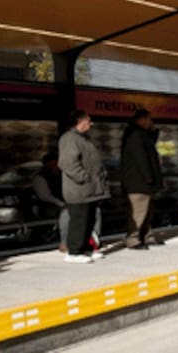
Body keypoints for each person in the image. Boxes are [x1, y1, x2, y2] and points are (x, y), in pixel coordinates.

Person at [58, 110, 109, 264]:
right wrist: (84, 178)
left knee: (89, 219)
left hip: (90, 189)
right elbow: (68, 163)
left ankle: (85, 248)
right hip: (79, 188)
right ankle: (73, 251)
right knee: (79, 220)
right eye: (89, 120)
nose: (91, 123)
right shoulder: (69, 139)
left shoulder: (82, 139)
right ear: (80, 121)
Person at [120, 109, 164, 250]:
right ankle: (133, 239)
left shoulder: (142, 134)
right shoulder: (134, 135)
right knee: (138, 212)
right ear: (142, 119)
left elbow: (149, 146)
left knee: (147, 212)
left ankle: (147, 236)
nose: (151, 122)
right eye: (150, 119)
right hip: (138, 182)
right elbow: (141, 158)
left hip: (144, 182)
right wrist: (148, 176)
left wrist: (154, 132)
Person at [32, 152, 69, 252]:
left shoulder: (61, 174)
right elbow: (45, 196)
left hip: (63, 202)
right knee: (66, 213)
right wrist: (61, 203)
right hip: (49, 205)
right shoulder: (40, 178)